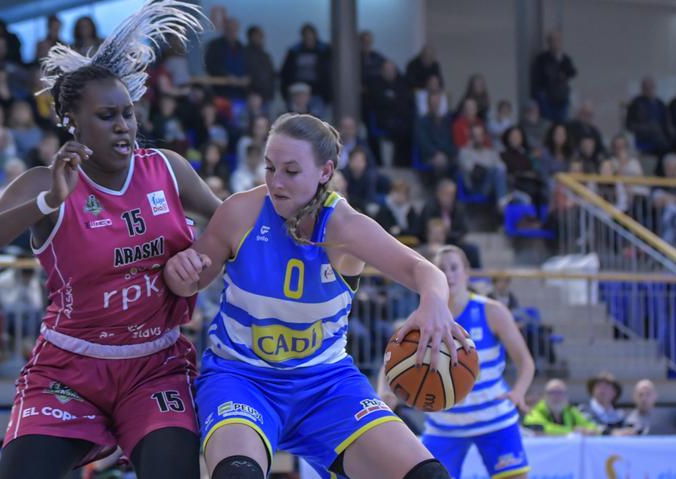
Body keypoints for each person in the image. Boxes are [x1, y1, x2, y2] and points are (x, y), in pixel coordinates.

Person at [0, 0, 217, 478]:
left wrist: (203, 261)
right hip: (69, 369)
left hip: (155, 363)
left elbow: (230, 226)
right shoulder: (42, 183)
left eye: (127, 113)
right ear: (73, 122)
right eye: (106, 116)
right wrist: (47, 202)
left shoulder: (168, 169)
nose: (123, 127)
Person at [164, 112, 466, 479]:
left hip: (325, 383)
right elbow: (188, 283)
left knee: (428, 476)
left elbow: (425, 270)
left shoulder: (346, 226)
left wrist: (434, 305)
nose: (276, 182)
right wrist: (179, 271)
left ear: (325, 171)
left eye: (291, 171)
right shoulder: (240, 211)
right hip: (242, 377)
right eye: (270, 167)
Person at [420, 245, 535, 479]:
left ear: (467, 272)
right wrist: (386, 390)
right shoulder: (425, 315)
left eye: (454, 268)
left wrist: (518, 392)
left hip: (493, 418)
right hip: (444, 423)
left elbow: (525, 362)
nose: (449, 274)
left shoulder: (492, 311)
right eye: (441, 269)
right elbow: (393, 362)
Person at [523, 379, 599, 436]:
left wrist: (591, 430)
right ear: (545, 396)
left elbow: (589, 425)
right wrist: (572, 431)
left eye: (560, 393)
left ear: (566, 396)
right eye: (552, 393)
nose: (557, 397)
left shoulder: (570, 411)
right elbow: (539, 429)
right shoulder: (534, 412)